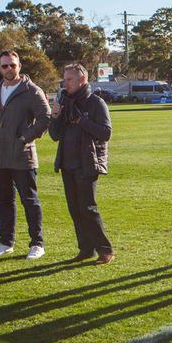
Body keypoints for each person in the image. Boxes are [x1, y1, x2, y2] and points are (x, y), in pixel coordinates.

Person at [0, 50, 51, 259]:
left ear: (19, 65)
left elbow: (45, 117)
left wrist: (24, 138)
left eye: (12, 65)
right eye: (4, 66)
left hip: (22, 155)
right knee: (3, 200)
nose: (9, 69)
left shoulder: (31, 91)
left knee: (29, 200)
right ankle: (5, 242)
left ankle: (37, 243)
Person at [48, 64, 114, 263]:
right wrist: (55, 116)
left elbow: (105, 133)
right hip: (67, 163)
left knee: (87, 208)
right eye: (64, 79)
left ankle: (105, 249)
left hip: (87, 162)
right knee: (74, 209)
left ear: (82, 80)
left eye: (69, 79)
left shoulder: (95, 102)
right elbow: (54, 135)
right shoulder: (63, 101)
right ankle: (85, 249)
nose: (65, 83)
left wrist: (82, 121)